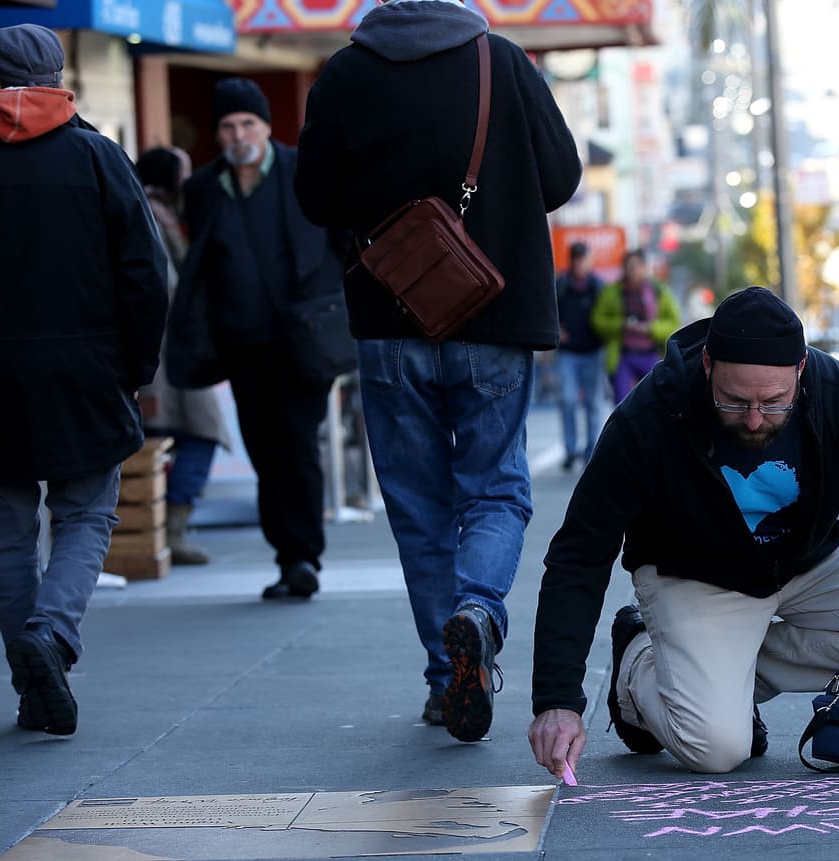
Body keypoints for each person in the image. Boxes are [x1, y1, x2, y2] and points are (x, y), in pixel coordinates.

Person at [527, 287, 839, 777]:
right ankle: (639, 662)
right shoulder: (651, 415)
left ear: (801, 370)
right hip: (699, 574)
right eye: (734, 402)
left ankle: (721, 666)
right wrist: (557, 701)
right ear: (707, 366)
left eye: (773, 403)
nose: (753, 420)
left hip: (809, 562)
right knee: (716, 749)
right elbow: (580, 553)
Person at [294, 0, 582, 742]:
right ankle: (478, 611)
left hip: (389, 317)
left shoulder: (344, 72)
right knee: (494, 488)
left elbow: (314, 196)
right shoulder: (504, 62)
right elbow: (560, 175)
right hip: (491, 311)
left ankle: (443, 672)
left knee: (418, 506)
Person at [0, 24, 167, 735]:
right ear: (57, 80)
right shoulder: (99, 158)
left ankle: (30, 686)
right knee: (86, 513)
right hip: (87, 378)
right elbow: (146, 278)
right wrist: (134, 369)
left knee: (8, 539)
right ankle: (50, 636)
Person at [167, 77, 355, 601]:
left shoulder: (301, 171)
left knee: (297, 446)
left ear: (267, 126)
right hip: (241, 346)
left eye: (247, 123)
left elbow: (343, 242)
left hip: (304, 341)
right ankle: (286, 555)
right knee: (265, 454)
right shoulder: (203, 188)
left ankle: (303, 557)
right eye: (227, 126)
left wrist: (338, 307)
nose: (238, 134)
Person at [134, 146, 232, 565]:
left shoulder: (157, 213)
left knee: (161, 436)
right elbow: (169, 287)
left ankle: (156, 532)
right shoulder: (155, 216)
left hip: (162, 350)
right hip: (167, 350)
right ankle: (165, 532)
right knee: (200, 433)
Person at [591, 249, 681, 403]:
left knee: (654, 401)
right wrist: (621, 325)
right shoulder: (612, 291)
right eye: (628, 266)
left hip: (651, 354)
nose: (632, 270)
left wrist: (651, 328)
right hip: (623, 355)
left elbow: (674, 322)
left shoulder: (658, 290)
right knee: (622, 402)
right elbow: (597, 320)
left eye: (636, 266)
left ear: (644, 267)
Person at [555, 241, 605, 471]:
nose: (579, 264)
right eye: (576, 260)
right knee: (567, 400)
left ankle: (591, 449)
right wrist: (557, 330)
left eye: (583, 259)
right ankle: (570, 449)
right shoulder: (561, 285)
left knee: (593, 403)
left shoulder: (599, 287)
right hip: (568, 354)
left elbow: (609, 313)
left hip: (594, 351)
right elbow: (549, 312)